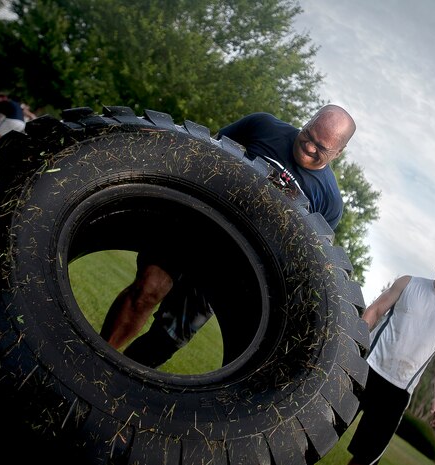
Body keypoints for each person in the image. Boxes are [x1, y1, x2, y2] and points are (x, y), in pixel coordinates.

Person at [100, 104, 357, 367]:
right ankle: (96, 361)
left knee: (171, 334)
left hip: (231, 266)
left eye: (321, 148)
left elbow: (297, 256)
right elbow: (205, 156)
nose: (310, 147)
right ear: (309, 120)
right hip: (192, 227)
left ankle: (114, 385)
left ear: (338, 152)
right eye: (309, 135)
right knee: (148, 289)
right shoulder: (263, 126)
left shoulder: (329, 202)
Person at [346, 249, 435, 465]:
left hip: (398, 391)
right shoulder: (409, 283)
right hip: (367, 369)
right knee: (324, 429)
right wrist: (354, 345)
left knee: (365, 459)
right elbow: (375, 309)